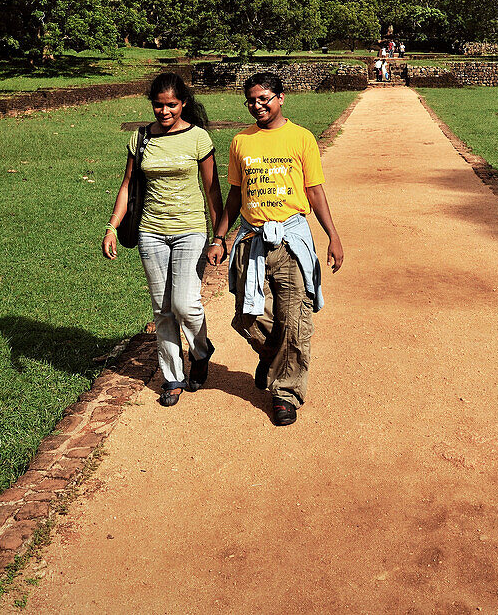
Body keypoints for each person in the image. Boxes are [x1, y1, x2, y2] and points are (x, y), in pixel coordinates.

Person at [208, 71, 344, 427]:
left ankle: (286, 394)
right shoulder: (241, 141)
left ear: (281, 97)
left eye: (264, 98)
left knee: (295, 321)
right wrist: (219, 238)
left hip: (290, 241)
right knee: (249, 316)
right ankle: (271, 355)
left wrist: (333, 235)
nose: (258, 105)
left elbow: (314, 191)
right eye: (251, 100)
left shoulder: (301, 138)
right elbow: (236, 196)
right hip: (251, 240)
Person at [102, 73, 222, 407]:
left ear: (183, 103)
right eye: (158, 105)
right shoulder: (140, 138)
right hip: (151, 231)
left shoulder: (198, 138)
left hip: (190, 230)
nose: (164, 111)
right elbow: (127, 185)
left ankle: (200, 351)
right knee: (163, 309)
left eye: (171, 105)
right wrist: (112, 227)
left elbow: (212, 190)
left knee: (184, 304)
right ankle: (172, 376)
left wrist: (220, 236)